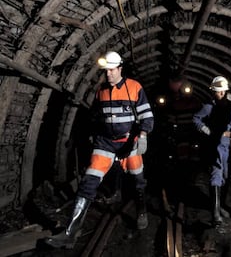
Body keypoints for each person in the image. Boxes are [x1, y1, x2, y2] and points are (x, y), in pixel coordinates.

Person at [45, 51, 154, 248]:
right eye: (106, 71)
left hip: (129, 144)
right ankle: (70, 233)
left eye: (112, 70)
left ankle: (141, 212)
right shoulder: (101, 91)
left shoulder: (134, 87)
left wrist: (144, 135)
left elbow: (147, 116)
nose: (108, 74)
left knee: (138, 181)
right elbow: (94, 116)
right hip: (105, 144)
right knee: (88, 182)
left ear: (120, 68)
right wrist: (90, 133)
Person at [193, 76, 231, 225]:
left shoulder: (230, 106)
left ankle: (220, 206)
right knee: (216, 174)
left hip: (227, 144)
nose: (221, 94)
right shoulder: (208, 107)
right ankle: (215, 214)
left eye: (223, 91)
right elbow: (196, 119)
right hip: (215, 144)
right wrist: (206, 130)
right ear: (213, 92)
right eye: (218, 92)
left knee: (225, 176)